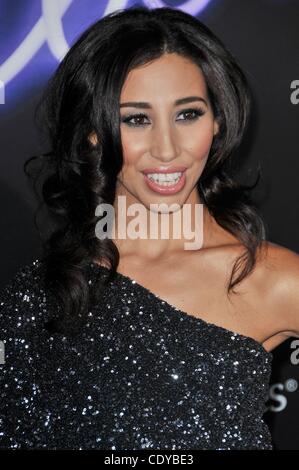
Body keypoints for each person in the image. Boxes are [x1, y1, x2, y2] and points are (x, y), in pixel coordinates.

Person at [0, 6, 298, 450]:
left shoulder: (273, 279)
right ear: (93, 133)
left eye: (188, 115)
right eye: (136, 119)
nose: (166, 149)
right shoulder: (38, 294)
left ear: (218, 121)